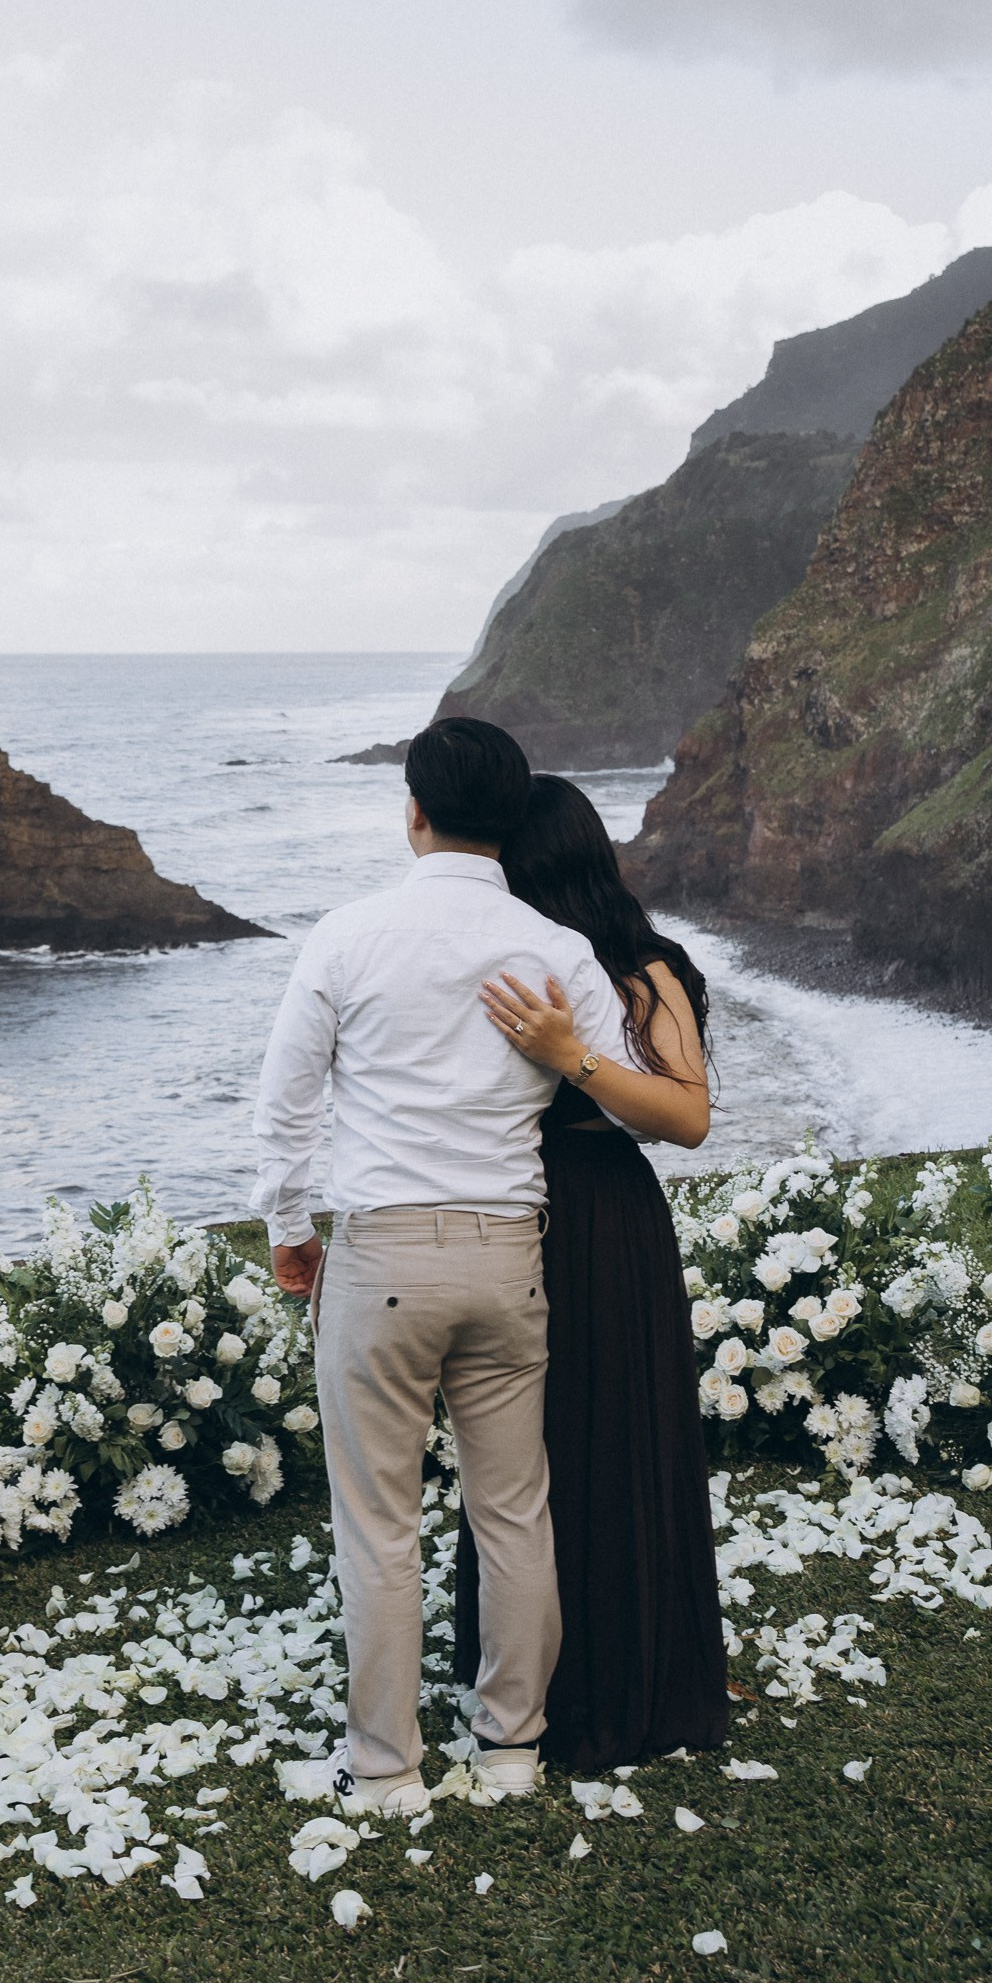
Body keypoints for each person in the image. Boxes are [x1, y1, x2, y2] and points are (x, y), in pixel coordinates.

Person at [249, 716, 640, 1819]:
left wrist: (288, 1227)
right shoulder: (554, 952)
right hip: (511, 1253)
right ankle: (508, 1753)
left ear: (411, 810)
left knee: (377, 1522)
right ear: (508, 818)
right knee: (512, 1511)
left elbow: (285, 1106)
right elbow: (608, 1088)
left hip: (380, 1258)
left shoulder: (347, 933)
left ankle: (385, 1771)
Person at [452, 772, 730, 1766]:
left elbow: (687, 1117)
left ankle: (622, 1677)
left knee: (607, 1435)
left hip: (600, 1217)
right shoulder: (489, 961)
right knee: (511, 1457)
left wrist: (572, 1056)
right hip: (500, 1210)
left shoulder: (640, 970)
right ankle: (513, 1675)